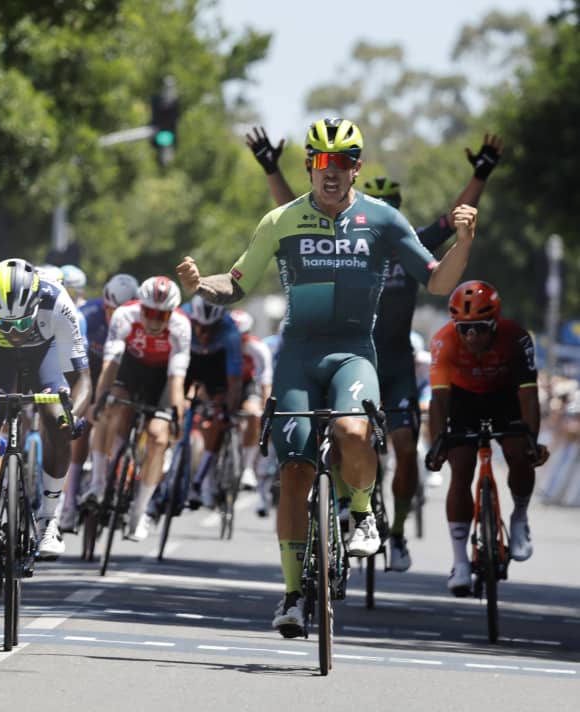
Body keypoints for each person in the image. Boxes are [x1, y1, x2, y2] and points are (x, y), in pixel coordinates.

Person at [178, 117, 477, 638]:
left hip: (352, 354)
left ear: (356, 168)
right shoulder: (281, 219)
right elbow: (238, 281)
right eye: (320, 163)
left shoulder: (382, 221)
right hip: (297, 355)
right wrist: (202, 283)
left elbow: (438, 282)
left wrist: (464, 242)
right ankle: (293, 595)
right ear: (309, 167)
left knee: (352, 431)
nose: (330, 173)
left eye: (340, 163)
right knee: (293, 467)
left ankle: (362, 512)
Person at [246, 125, 504, 571]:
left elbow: (456, 216)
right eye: (325, 164)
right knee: (334, 440)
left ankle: (396, 532)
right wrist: (271, 168)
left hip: (390, 362)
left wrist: (480, 176)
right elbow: (292, 212)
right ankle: (345, 507)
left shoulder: (394, 233)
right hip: (332, 353)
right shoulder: (330, 228)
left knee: (402, 448)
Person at [0, 258, 91, 584]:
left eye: (21, 324)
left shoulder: (58, 302)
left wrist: (72, 416)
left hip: (45, 352)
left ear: (36, 304)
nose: (14, 333)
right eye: (5, 325)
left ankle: (49, 520)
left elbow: (82, 380)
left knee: (56, 419)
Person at [425, 281, 548, 596]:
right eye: (463, 328)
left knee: (519, 453)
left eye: (479, 328)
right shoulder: (443, 342)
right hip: (462, 400)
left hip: (505, 397)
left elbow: (529, 397)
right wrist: (437, 442)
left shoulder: (515, 338)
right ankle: (459, 562)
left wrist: (532, 440)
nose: (470, 336)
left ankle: (519, 517)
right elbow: (439, 401)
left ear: (494, 324)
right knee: (461, 465)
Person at [90, 276, 190, 542]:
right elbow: (111, 363)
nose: (155, 321)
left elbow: (176, 378)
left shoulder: (181, 326)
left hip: (162, 379)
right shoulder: (124, 315)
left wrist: (176, 414)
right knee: (110, 407)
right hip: (130, 369)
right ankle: (97, 485)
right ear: (140, 306)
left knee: (158, 436)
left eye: (162, 315)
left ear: (172, 313)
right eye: (150, 313)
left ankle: (140, 510)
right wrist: (100, 398)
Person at [58, 272, 140, 532]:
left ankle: (111, 478)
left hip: (121, 373)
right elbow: (73, 364)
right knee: (79, 428)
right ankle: (68, 505)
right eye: (111, 311)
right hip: (88, 371)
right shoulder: (88, 316)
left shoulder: (139, 321)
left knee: (120, 411)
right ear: (105, 304)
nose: (115, 318)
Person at [181, 295, 242, 508]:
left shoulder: (230, 332)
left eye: (212, 328)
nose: (206, 334)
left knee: (219, 417)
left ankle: (199, 482)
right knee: (177, 406)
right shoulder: (183, 318)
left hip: (217, 364)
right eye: (201, 328)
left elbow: (234, 381)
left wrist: (226, 410)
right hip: (189, 360)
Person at [229, 308, 275, 514]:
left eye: (242, 337)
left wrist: (267, 411)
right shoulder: (221, 345)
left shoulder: (258, 348)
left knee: (253, 415)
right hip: (224, 382)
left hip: (247, 385)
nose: (238, 341)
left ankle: (247, 468)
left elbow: (265, 383)